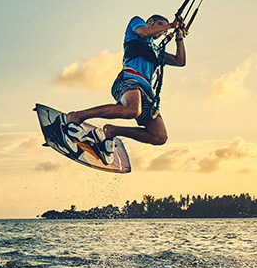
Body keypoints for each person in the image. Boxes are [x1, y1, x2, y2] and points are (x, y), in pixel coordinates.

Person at [62, 14, 186, 162]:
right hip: (129, 79)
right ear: (150, 21)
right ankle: (76, 117)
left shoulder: (157, 51)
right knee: (132, 110)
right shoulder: (137, 24)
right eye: (159, 25)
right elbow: (143, 32)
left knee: (159, 136)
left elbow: (180, 61)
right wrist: (171, 25)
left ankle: (112, 131)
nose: (161, 32)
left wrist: (179, 36)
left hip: (147, 93)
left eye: (163, 30)